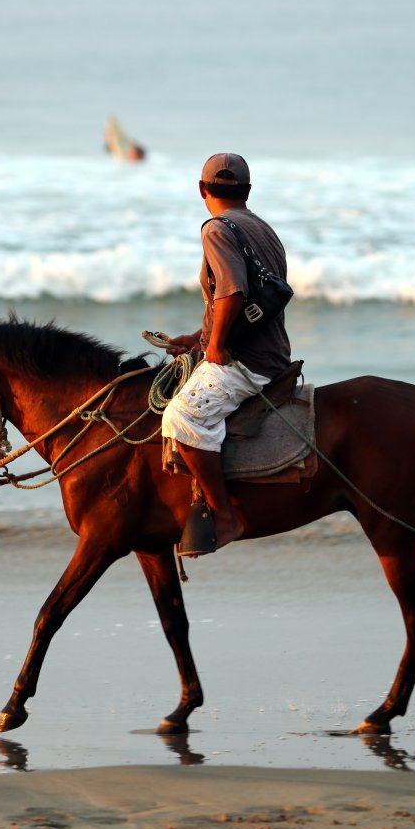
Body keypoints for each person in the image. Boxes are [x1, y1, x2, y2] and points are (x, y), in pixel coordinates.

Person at [161, 153, 292, 553]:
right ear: (248, 191)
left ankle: (223, 514)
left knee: (181, 415)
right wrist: (198, 338)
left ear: (202, 190)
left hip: (248, 362)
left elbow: (232, 290)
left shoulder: (217, 229)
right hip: (269, 349)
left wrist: (215, 345)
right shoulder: (261, 228)